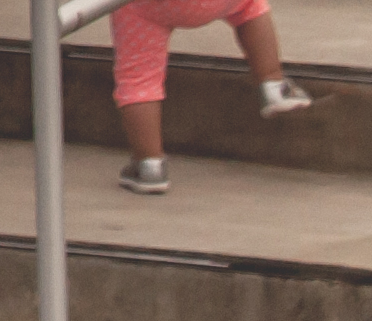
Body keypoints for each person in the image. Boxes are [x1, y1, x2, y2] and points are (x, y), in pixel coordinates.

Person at [98, 0, 298, 192]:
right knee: (249, 5)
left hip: (149, 7)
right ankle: (273, 84)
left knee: (139, 78)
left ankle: (149, 165)